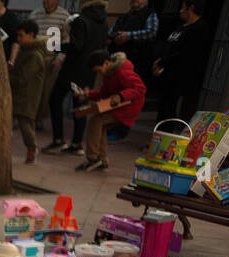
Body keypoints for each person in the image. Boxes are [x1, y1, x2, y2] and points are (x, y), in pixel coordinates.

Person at [42, 0, 107, 156]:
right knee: (80, 104)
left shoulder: (81, 20)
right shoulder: (103, 22)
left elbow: (76, 46)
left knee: (56, 99)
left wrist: (56, 46)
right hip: (89, 71)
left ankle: (59, 139)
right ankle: (77, 143)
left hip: (72, 72)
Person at [77, 48, 145, 172]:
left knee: (96, 121)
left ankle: (94, 158)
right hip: (118, 105)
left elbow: (140, 89)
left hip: (128, 108)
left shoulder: (122, 72)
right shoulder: (109, 74)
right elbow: (104, 93)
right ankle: (101, 160)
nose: (99, 73)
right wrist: (87, 94)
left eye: (99, 70)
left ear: (107, 63)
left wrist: (120, 96)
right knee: (100, 125)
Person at [154, 0, 208, 123]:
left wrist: (164, 62)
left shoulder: (199, 28)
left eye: (183, 7)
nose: (180, 11)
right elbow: (169, 46)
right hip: (167, 74)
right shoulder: (180, 27)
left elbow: (186, 53)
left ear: (191, 8)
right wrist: (159, 61)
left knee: (171, 111)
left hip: (180, 77)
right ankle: (158, 139)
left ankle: (167, 139)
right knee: (163, 109)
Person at [30, 0, 71, 132]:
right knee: (31, 90)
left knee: (46, 91)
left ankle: (39, 119)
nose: (46, 2)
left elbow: (66, 39)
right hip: (35, 57)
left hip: (51, 58)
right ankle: (29, 118)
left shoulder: (64, 16)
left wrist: (60, 58)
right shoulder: (35, 14)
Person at [10, 18, 45, 163]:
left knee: (26, 126)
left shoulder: (35, 55)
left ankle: (32, 148)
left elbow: (23, 78)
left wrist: (8, 77)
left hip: (28, 97)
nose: (18, 39)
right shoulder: (26, 50)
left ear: (31, 35)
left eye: (21, 35)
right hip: (18, 94)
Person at [110, 0, 157, 79]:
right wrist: (116, 36)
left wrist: (128, 36)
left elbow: (151, 33)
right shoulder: (123, 17)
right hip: (118, 60)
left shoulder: (150, 14)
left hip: (136, 62)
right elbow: (110, 32)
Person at [0, 0, 21, 65]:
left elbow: (15, 41)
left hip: (5, 58)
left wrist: (11, 61)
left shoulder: (11, 17)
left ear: (3, 2)